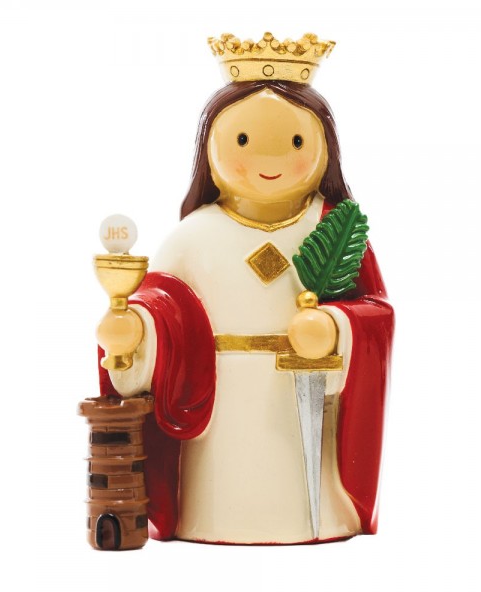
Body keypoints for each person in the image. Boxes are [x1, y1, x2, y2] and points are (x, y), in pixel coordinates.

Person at [97, 37, 394, 545]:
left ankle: (319, 518)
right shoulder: (193, 237)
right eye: (241, 140)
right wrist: (135, 332)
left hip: (305, 403)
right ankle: (210, 519)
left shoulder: (335, 229)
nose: (266, 158)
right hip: (219, 408)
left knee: (301, 487)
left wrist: (335, 327)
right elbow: (161, 309)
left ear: (324, 148)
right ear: (211, 147)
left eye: (296, 142)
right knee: (224, 480)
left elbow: (377, 313)